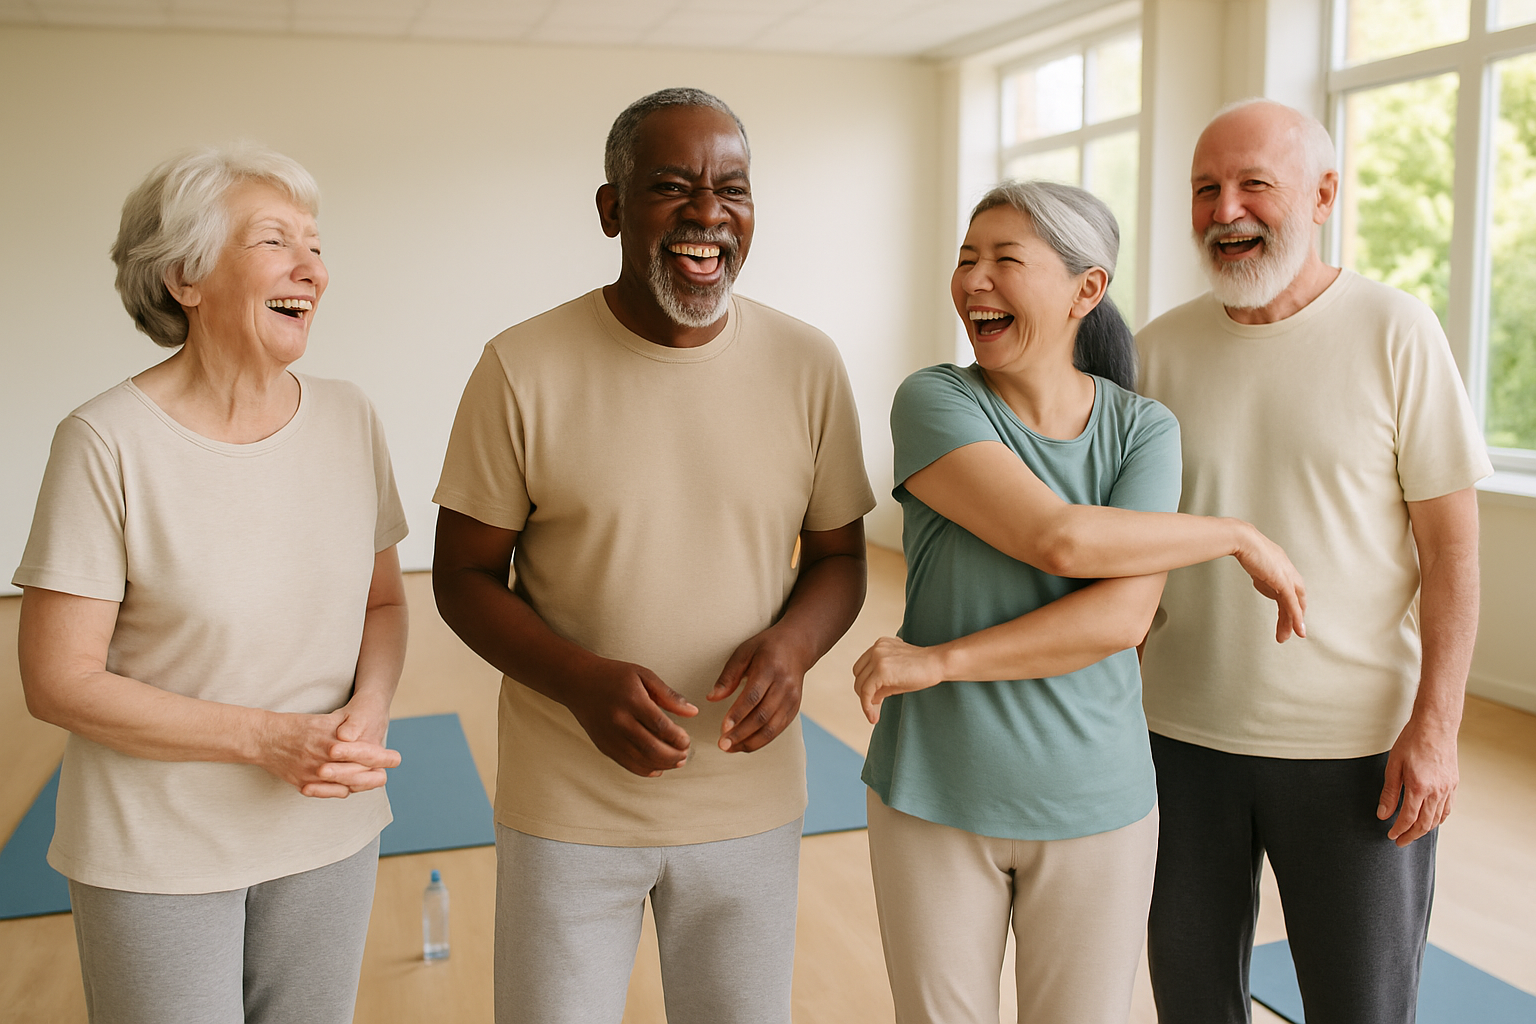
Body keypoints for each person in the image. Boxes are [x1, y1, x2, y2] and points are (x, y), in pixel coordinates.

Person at [431, 87, 875, 1024]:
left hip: (751, 805)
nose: (708, 213)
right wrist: (582, 681)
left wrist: (793, 647)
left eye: (732, 189)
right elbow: (463, 577)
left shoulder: (809, 364)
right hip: (568, 814)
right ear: (610, 210)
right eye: (672, 187)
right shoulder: (520, 366)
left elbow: (840, 557)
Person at [851, 179, 1307, 1024]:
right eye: (966, 260)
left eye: (1004, 260)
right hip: (935, 791)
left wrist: (940, 660)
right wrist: (1234, 534)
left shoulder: (1143, 429)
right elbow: (1057, 539)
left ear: (1085, 289)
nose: (973, 280)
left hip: (1096, 804)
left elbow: (1117, 620)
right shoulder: (936, 400)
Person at [13, 144, 409, 1024]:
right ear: (185, 276)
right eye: (275, 241)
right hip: (156, 849)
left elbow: (383, 604)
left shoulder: (350, 417)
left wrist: (372, 705)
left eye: (316, 244)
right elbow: (57, 681)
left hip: (330, 831)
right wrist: (271, 741)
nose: (313, 268)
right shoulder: (104, 441)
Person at [1137, 98, 1492, 1024]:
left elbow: (1451, 555)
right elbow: (1124, 545)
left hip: (1356, 754)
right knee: (1190, 1004)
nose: (1227, 210)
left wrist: (1437, 728)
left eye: (1255, 184)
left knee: (1362, 1009)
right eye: (1206, 189)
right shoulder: (1155, 351)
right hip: (1177, 741)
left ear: (1324, 194)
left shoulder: (1398, 332)